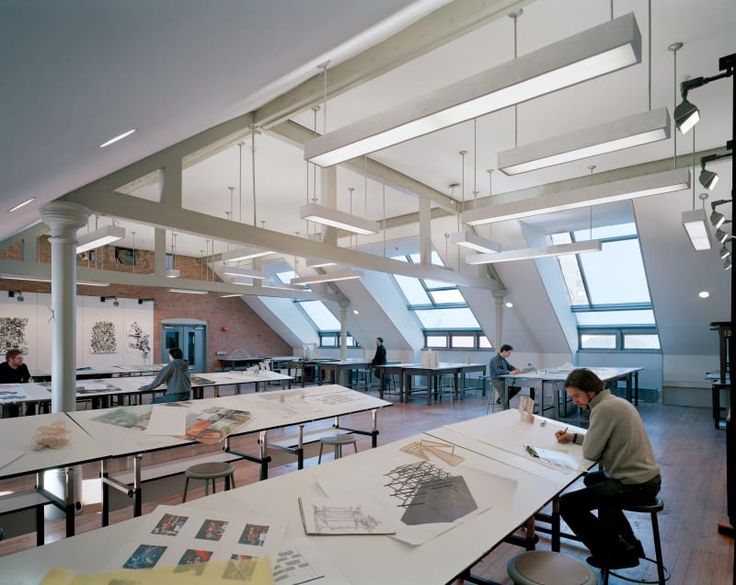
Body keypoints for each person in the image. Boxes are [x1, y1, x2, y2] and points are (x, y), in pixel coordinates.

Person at [555, 368, 661, 570]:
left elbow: (591, 453)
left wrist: (584, 441)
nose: (574, 401)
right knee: (591, 480)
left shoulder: (602, 409)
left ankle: (617, 554)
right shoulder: (615, 402)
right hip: (647, 478)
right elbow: (603, 441)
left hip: (636, 485)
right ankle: (628, 543)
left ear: (591, 391)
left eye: (576, 395)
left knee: (567, 504)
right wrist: (575, 437)